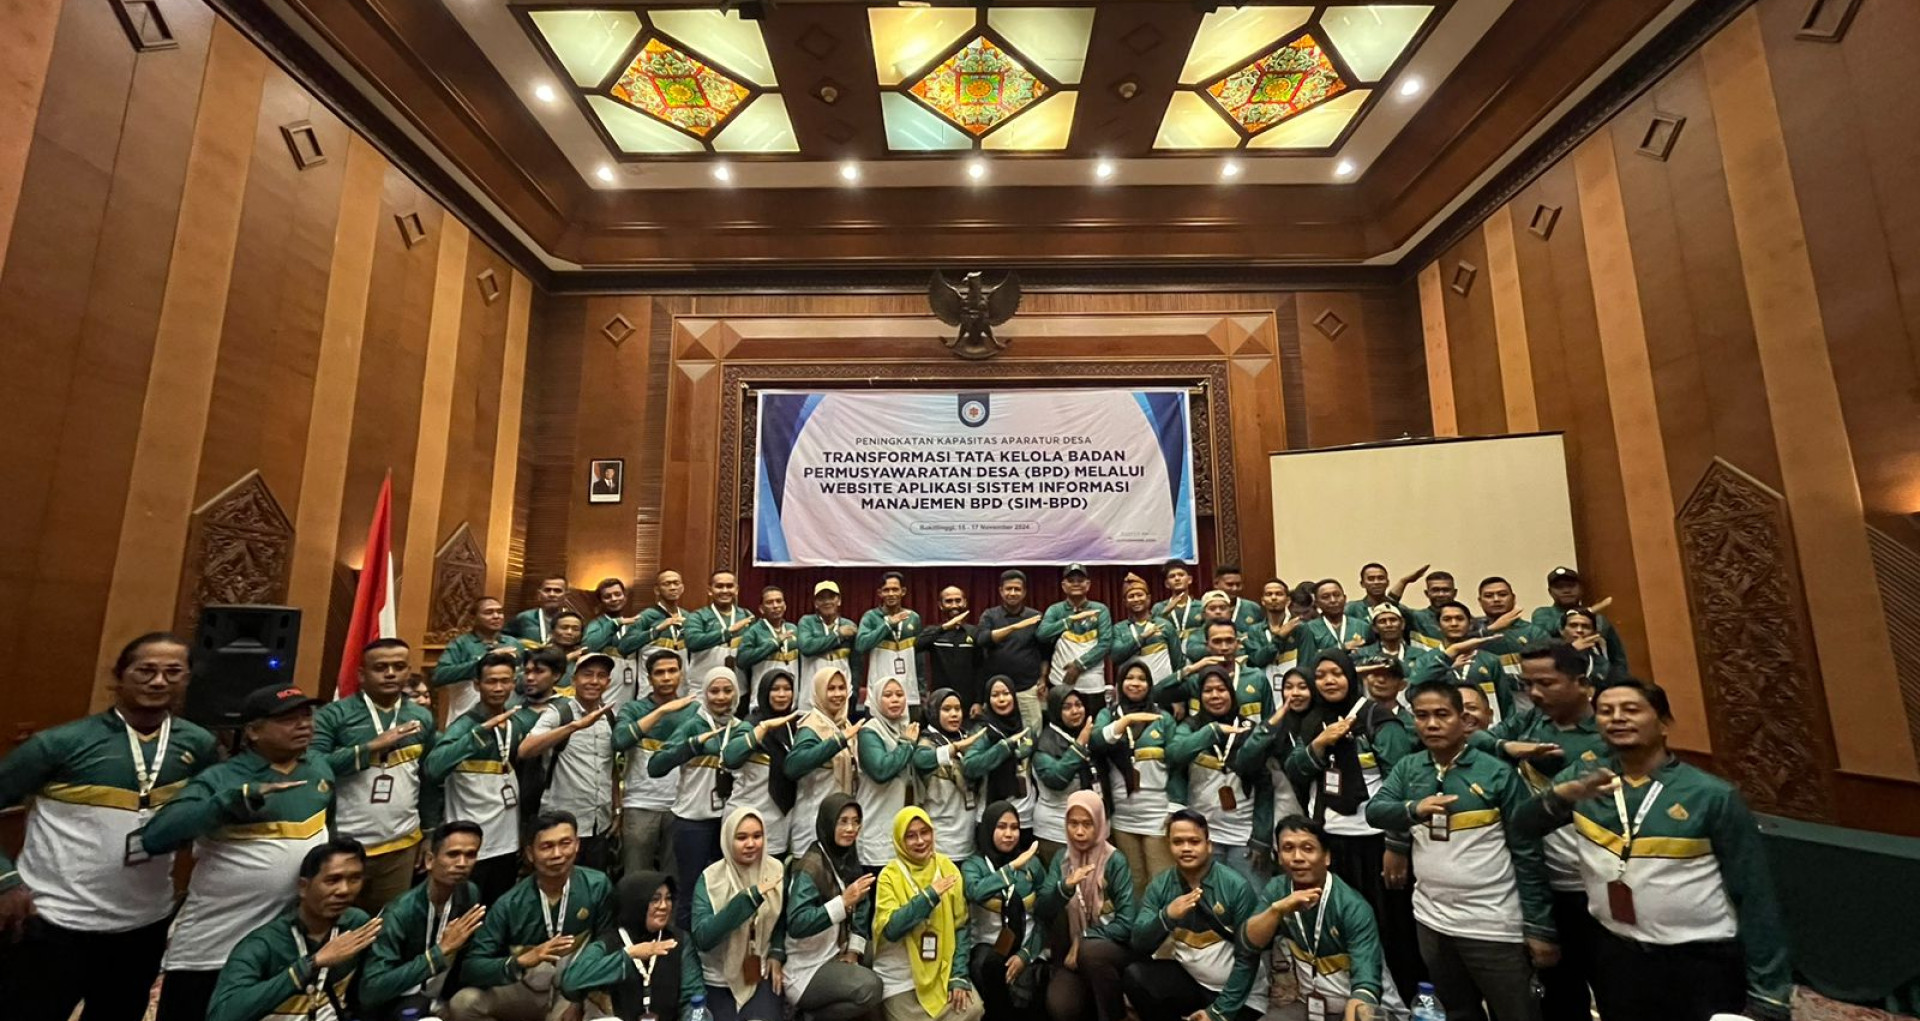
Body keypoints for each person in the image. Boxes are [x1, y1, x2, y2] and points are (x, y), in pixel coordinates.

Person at [1514, 678, 1791, 1021]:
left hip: (1698, 959)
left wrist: (1769, 993)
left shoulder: (1709, 795)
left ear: (1663, 723)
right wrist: (1561, 796)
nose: (1617, 718)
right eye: (1606, 711)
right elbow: (1522, 826)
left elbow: (1755, 894)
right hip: (1616, 953)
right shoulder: (1586, 783)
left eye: (1631, 709)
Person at [0, 632, 218, 1021]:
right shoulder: (61, 743)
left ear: (187, 680)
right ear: (119, 676)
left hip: (144, 924)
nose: (159, 682)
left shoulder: (198, 745)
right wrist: (5, 882)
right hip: (54, 920)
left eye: (173, 672)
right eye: (146, 670)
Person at [1367, 681, 1555, 1021]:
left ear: (1463, 720)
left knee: (1516, 1013)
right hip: (1432, 921)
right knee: (1457, 1013)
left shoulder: (1496, 773)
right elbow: (1375, 811)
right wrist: (1413, 809)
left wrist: (1539, 928)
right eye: (1422, 716)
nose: (1431, 724)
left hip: (1492, 924)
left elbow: (1528, 854)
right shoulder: (1410, 767)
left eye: (1442, 715)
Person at [148, 684, 337, 1021]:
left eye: (307, 716)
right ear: (253, 731)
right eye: (288, 719)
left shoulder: (319, 769)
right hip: (215, 943)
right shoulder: (222, 777)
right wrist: (232, 801)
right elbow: (157, 835)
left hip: (280, 942)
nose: (304, 725)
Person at [1470, 644, 1608, 1021]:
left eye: (1546, 683)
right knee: (1559, 996)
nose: (1534, 693)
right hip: (1542, 882)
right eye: (1528, 683)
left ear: (1582, 683)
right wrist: (1507, 746)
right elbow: (1474, 738)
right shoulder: (1534, 720)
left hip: (1598, 886)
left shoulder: (1606, 736)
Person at [1283, 652, 1423, 1003]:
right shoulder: (1313, 720)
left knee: (1390, 928)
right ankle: (1352, 999)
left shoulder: (1378, 719)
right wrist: (1319, 743)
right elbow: (1295, 770)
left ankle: (1402, 1001)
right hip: (1330, 840)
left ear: (1350, 676)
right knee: (1341, 924)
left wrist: (1397, 845)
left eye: (1336, 673)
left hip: (1375, 841)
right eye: (1321, 675)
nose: (1329, 681)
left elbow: (1403, 782)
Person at [312, 636, 437, 911]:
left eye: (399, 667)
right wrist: (369, 748)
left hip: (401, 844)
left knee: (388, 922)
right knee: (337, 921)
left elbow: (427, 780)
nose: (390, 673)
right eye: (380, 667)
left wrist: (429, 833)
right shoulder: (334, 715)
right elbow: (313, 766)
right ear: (361, 674)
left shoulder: (422, 717)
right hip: (343, 842)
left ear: (408, 671)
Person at [452, 811, 613, 1021]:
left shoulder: (597, 886)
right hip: (525, 988)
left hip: (572, 991)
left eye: (565, 843)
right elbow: (472, 967)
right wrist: (519, 961)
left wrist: (580, 996)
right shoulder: (510, 904)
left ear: (577, 845)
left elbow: (608, 940)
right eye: (547, 846)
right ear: (530, 853)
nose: (557, 854)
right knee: (463, 1003)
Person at [1242, 816, 1398, 1021]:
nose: (1297, 857)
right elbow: (1249, 942)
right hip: (1305, 1003)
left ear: (1326, 857)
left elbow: (1366, 982)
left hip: (1355, 1005)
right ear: (1279, 857)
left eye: (1308, 848)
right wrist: (1277, 911)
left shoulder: (1352, 906)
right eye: (1288, 848)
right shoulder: (1277, 890)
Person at [208, 838, 382, 1021]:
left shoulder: (356, 924)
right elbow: (221, 1015)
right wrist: (311, 964)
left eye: (354, 879)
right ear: (303, 887)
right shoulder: (263, 944)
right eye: (332, 880)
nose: (344, 890)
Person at [1126, 810, 1267, 1021]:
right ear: (1168, 845)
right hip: (1192, 981)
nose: (1186, 848)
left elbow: (1248, 960)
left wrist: (1218, 1013)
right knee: (1136, 976)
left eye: (1194, 841)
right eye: (1178, 842)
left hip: (1239, 996)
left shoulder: (1236, 887)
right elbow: (1139, 943)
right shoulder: (1160, 885)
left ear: (1208, 845)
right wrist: (1167, 916)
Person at [360, 821, 489, 1021]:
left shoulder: (469, 893)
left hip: (440, 998)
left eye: (470, 855)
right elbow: (371, 991)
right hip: (394, 1005)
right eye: (453, 854)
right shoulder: (399, 913)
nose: (462, 863)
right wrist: (440, 952)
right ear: (430, 860)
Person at [424, 653, 526, 904]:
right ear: (477, 685)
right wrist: (477, 735)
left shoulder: (515, 722)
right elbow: (433, 768)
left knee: (500, 905)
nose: (499, 688)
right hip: (470, 842)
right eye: (491, 681)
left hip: (507, 839)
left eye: (505, 681)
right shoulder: (463, 726)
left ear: (514, 684)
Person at [650, 667, 744, 927]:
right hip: (693, 820)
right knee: (691, 891)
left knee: (724, 890)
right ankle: (686, 944)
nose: (721, 697)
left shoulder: (741, 728)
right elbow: (655, 766)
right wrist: (692, 745)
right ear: (704, 694)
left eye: (727, 690)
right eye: (714, 691)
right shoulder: (692, 725)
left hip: (728, 821)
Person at [875, 807, 983, 1021]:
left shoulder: (947, 867)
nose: (920, 841)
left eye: (925, 832)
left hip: (941, 972)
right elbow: (892, 930)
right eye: (910, 836)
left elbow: (961, 927)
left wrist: (958, 976)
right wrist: (929, 896)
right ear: (899, 840)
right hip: (902, 977)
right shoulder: (889, 876)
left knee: (974, 1009)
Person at [784, 795, 885, 1020]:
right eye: (843, 821)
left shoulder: (847, 857)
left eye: (856, 821)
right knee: (870, 987)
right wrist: (842, 903)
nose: (851, 829)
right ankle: (811, 1016)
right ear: (828, 823)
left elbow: (862, 905)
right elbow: (797, 923)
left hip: (838, 949)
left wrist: (853, 952)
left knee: (886, 954)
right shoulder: (810, 867)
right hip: (808, 966)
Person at [1167, 667, 1272, 883]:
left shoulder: (1249, 730)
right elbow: (1175, 753)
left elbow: (1265, 787)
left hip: (1245, 837)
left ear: (1232, 693)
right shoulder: (1190, 727)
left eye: (1221, 689)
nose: (1215, 695)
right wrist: (1212, 731)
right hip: (1202, 837)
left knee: (1251, 900)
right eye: (1208, 691)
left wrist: (1261, 839)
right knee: (1207, 898)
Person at [1039, 791, 1136, 1021]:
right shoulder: (1062, 859)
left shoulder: (1115, 861)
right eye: (1073, 824)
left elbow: (1126, 923)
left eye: (1087, 824)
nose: (1079, 832)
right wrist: (1065, 888)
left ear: (1100, 823)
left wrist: (1083, 938)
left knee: (1091, 952)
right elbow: (1043, 909)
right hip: (1072, 956)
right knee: (1060, 1006)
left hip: (1111, 949)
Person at [520, 653, 617, 869]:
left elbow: (609, 767)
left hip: (599, 823)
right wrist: (574, 727)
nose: (594, 681)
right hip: (559, 825)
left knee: (593, 881)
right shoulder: (559, 712)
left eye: (601, 676)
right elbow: (526, 749)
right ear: (574, 680)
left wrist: (616, 808)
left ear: (608, 682)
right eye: (587, 675)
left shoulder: (609, 716)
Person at [691, 808, 790, 1021]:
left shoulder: (775, 870)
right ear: (728, 840)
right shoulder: (710, 879)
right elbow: (703, 937)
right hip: (718, 978)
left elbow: (782, 919)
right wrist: (747, 900)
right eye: (742, 837)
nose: (751, 844)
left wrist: (776, 953)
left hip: (759, 973)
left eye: (757, 836)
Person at [559, 872, 700, 1021]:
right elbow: (570, 984)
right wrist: (628, 955)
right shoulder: (609, 942)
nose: (664, 906)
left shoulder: (678, 940)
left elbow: (694, 998)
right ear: (635, 903)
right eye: (655, 899)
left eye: (668, 898)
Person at [1090, 661, 1177, 895]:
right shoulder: (1108, 715)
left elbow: (1177, 764)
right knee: (1133, 884)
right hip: (1122, 816)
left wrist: (1175, 809)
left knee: (1161, 882)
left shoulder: (1163, 718)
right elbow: (1095, 742)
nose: (1135, 683)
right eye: (1129, 678)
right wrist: (1124, 723)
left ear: (1150, 685)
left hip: (1157, 815)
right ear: (1120, 684)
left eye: (1142, 679)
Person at [613, 651, 697, 880]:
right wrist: (661, 711)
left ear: (681, 674)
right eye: (659, 673)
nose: (667, 677)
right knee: (636, 877)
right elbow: (619, 741)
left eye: (672, 671)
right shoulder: (633, 709)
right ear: (649, 678)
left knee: (674, 878)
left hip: (680, 806)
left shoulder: (693, 710)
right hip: (640, 803)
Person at [961, 802, 1045, 1020]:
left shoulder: (1032, 864)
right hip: (987, 945)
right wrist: (1011, 868)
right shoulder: (974, 865)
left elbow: (1044, 915)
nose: (1009, 834)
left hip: (1027, 943)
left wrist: (1025, 954)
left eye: (1014, 827)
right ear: (988, 829)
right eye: (1001, 827)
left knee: (1035, 983)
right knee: (988, 966)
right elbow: (975, 891)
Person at [723, 669, 801, 857]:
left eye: (787, 689)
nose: (782, 694)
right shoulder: (750, 723)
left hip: (779, 823)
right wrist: (763, 728)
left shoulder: (793, 725)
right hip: (746, 817)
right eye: (775, 689)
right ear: (764, 692)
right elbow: (730, 758)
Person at [787, 668, 861, 858]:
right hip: (812, 824)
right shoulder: (811, 727)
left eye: (841, 688)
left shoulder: (844, 724)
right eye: (831, 688)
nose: (838, 694)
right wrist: (837, 742)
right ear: (819, 691)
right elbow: (792, 766)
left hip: (839, 825)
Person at [858, 677, 929, 867]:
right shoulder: (869, 731)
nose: (895, 700)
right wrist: (906, 744)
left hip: (904, 827)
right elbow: (880, 770)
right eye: (888, 695)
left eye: (899, 694)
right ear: (876, 699)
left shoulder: (906, 728)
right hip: (876, 826)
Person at [1409, 601, 1509, 724]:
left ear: (1470, 624)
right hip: (1441, 726)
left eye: (1459, 619)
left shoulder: (1490, 660)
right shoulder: (1426, 660)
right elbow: (1413, 692)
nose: (1454, 623)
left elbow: (1506, 704)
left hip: (1485, 729)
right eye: (1447, 619)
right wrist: (1445, 669)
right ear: (1437, 625)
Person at [1031, 686, 1096, 862]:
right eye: (1067, 707)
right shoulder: (1044, 745)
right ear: (1055, 711)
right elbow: (1056, 779)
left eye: (1078, 705)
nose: (1075, 711)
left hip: (1090, 829)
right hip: (1055, 831)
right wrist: (1079, 745)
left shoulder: (1090, 735)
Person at [970, 676, 1038, 839]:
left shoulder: (1025, 728)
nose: (1001, 699)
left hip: (1025, 816)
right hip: (991, 816)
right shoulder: (982, 731)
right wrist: (1003, 748)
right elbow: (970, 767)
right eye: (995, 695)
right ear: (987, 700)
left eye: (1006, 693)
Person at [435, 597, 526, 720]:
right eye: (489, 612)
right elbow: (439, 675)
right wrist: (484, 661)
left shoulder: (514, 644)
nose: (496, 616)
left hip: (509, 713)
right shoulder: (461, 644)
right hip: (468, 714)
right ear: (473, 618)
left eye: (500, 612)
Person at [1530, 567, 1630, 678]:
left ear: (1581, 588)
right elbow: (1550, 630)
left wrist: (1620, 681)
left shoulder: (1599, 620)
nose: (1566, 590)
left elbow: (1617, 658)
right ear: (1550, 592)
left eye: (1571, 585)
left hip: (1597, 676)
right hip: (1560, 675)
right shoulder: (1543, 614)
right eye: (1559, 587)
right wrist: (1588, 611)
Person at [976, 570, 1047, 727]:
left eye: (1017, 589)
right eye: (1008, 589)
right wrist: (1014, 627)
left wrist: (1043, 678)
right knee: (996, 734)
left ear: (1024, 592)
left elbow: (1045, 651)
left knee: (1032, 733)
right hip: (997, 692)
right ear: (1001, 591)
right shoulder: (990, 615)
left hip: (1027, 688)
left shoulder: (1035, 617)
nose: (1013, 593)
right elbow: (982, 640)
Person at [860, 572, 925, 711]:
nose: (891, 594)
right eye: (886, 590)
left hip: (909, 693)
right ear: (880, 593)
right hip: (879, 692)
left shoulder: (913, 618)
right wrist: (888, 625)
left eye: (895, 589)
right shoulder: (871, 617)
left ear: (903, 591)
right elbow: (861, 645)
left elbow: (920, 656)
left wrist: (922, 689)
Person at [687, 569, 755, 698]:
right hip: (703, 689)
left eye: (729, 586)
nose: (724, 590)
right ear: (710, 590)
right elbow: (692, 641)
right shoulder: (698, 616)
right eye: (719, 586)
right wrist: (728, 632)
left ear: (736, 590)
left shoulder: (746, 616)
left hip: (738, 689)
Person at [1111, 573, 1180, 693]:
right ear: (1124, 602)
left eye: (1140, 595)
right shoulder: (1119, 628)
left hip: (1163, 691)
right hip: (1132, 691)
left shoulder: (1164, 625)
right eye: (1131, 596)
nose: (1136, 599)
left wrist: (1177, 694)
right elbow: (1116, 656)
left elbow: (1177, 662)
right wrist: (1141, 638)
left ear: (1148, 598)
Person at [622, 571, 689, 692]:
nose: (672, 587)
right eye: (667, 584)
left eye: (676, 583)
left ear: (682, 588)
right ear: (657, 590)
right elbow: (625, 646)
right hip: (651, 689)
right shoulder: (646, 617)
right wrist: (656, 630)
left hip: (681, 689)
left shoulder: (687, 617)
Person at [800, 581, 862, 710]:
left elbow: (856, 663)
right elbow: (806, 647)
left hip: (841, 696)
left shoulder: (849, 625)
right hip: (812, 696)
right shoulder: (807, 622)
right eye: (822, 598)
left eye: (831, 597)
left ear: (839, 601)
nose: (827, 601)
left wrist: (854, 691)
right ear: (815, 603)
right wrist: (838, 635)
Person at [583, 577, 644, 710]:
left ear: (625, 597)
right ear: (601, 601)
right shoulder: (597, 624)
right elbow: (590, 646)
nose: (614, 599)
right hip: (606, 684)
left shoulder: (633, 624)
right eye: (607, 596)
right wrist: (615, 623)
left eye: (617, 594)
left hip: (631, 684)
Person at [739, 586, 802, 709]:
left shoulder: (793, 629)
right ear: (761, 609)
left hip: (791, 701)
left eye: (779, 601)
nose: (775, 606)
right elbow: (742, 660)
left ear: (785, 606)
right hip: (762, 701)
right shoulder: (754, 631)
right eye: (769, 602)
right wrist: (775, 642)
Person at [924, 585, 983, 715]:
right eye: (949, 601)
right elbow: (917, 645)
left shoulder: (975, 632)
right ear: (940, 605)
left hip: (969, 703)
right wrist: (944, 628)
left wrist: (979, 701)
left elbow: (981, 669)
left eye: (958, 600)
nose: (954, 605)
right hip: (940, 700)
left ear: (965, 602)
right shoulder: (933, 632)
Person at [1298, 580, 1373, 666]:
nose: (1333, 600)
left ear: (1345, 598)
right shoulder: (1309, 628)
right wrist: (1342, 647)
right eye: (1325, 597)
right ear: (1317, 603)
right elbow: (1307, 661)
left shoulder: (1362, 626)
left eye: (1337, 595)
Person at [1354, 603, 1433, 684]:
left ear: (1402, 624)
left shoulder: (1421, 655)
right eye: (1382, 621)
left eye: (1393, 620)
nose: (1388, 625)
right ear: (1375, 628)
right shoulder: (1362, 654)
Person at [1255, 578, 1307, 681]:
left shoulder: (1300, 627)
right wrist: (1279, 637)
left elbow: (1306, 662)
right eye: (1269, 594)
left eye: (1279, 594)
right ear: (1262, 601)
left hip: (1294, 684)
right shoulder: (1255, 630)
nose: (1273, 598)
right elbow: (1257, 660)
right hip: (1265, 685)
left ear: (1288, 601)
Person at [1554, 607, 1614, 683]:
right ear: (1561, 631)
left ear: (1594, 633)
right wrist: (1571, 650)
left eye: (1585, 626)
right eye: (1573, 625)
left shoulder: (1601, 663)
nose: (1579, 630)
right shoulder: (1549, 653)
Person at [510, 574, 571, 646]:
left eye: (557, 591)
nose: (551, 594)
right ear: (539, 594)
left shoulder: (575, 620)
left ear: (566, 596)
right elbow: (506, 640)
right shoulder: (524, 618)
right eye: (547, 590)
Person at [1152, 560, 1202, 647]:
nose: (1177, 578)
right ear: (1167, 584)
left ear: (1189, 580)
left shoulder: (1200, 606)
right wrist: (1165, 612)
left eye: (1181, 575)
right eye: (1172, 576)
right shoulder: (1159, 607)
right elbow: (1151, 631)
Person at [1403, 569, 1457, 648]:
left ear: (1455, 593)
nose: (1441, 594)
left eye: (1446, 590)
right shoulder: (1415, 618)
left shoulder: (1467, 621)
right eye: (1435, 590)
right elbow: (1389, 605)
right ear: (1427, 593)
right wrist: (1403, 582)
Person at [1210, 564, 1265, 635]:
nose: (1235, 588)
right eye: (1230, 584)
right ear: (1216, 584)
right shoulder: (1206, 608)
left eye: (1238, 585)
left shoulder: (1253, 608)